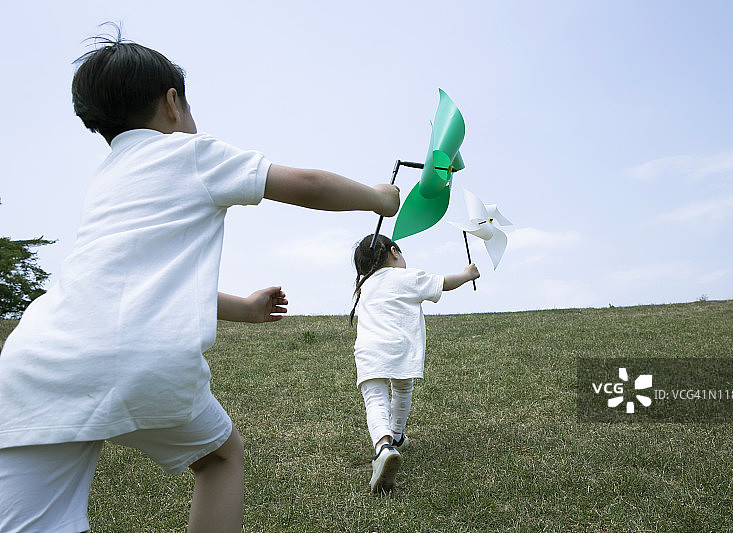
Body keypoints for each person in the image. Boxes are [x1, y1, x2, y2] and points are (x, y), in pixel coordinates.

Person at [0, 28, 399, 533]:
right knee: (220, 460)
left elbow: (136, 291)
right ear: (172, 104)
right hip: (144, 359)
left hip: (36, 364)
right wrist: (379, 200)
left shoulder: (103, 182)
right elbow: (309, 185)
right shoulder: (189, 152)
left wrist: (247, 308)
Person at [349, 234, 479, 493]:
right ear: (394, 252)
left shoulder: (365, 286)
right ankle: (396, 435)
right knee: (402, 389)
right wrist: (467, 274)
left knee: (375, 399)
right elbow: (444, 283)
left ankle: (384, 446)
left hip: (369, 350)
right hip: (400, 348)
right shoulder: (406, 277)